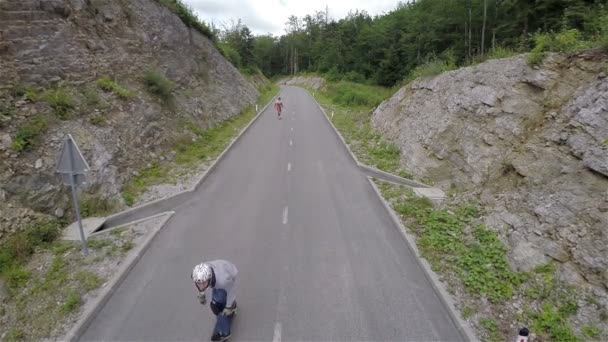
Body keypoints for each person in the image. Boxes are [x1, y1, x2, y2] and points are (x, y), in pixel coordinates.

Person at [192, 260, 238, 342]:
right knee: (217, 300)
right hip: (219, 271)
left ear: (209, 278)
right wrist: (201, 293)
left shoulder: (223, 281)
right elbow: (199, 283)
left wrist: (228, 306)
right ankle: (231, 308)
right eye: (199, 283)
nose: (201, 286)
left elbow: (231, 290)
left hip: (230, 273)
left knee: (217, 304)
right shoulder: (199, 275)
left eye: (204, 283)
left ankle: (225, 334)